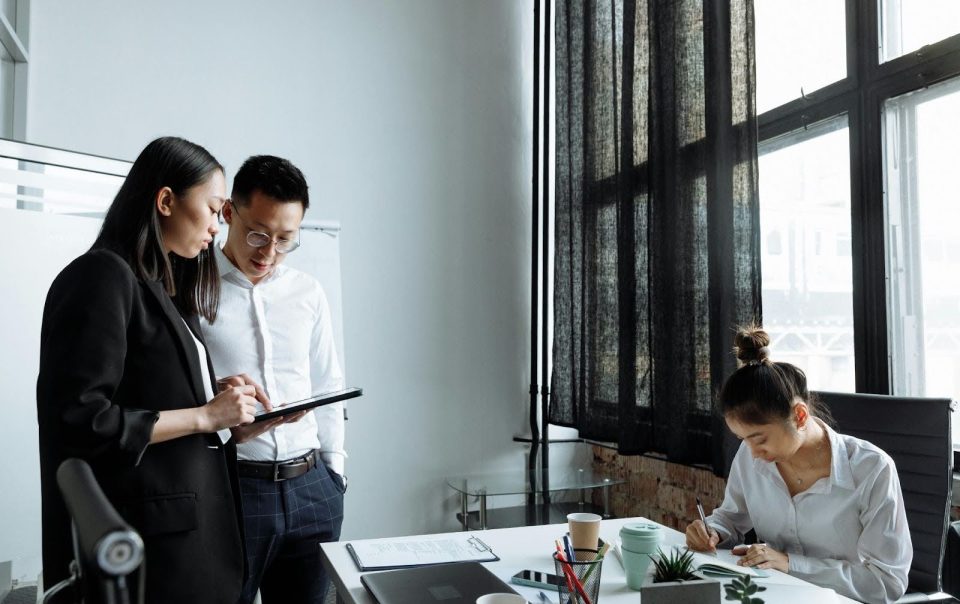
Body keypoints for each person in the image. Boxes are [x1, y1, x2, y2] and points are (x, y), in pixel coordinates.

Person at [37, 137, 269, 603]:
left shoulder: (159, 284)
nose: (216, 229)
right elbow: (81, 420)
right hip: (151, 548)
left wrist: (222, 411)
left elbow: (146, 395)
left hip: (188, 535)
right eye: (213, 209)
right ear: (165, 201)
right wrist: (205, 415)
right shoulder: (102, 275)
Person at [199, 155, 346, 604]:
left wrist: (336, 474)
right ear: (229, 212)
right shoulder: (189, 289)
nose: (268, 252)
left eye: (285, 239)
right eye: (258, 234)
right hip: (234, 488)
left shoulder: (308, 291)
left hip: (312, 486)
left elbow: (328, 382)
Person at [685, 325, 912, 603]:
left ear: (800, 416)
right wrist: (712, 531)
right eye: (743, 439)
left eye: (759, 439)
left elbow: (886, 583)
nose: (753, 453)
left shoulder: (871, 469)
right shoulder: (751, 455)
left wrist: (790, 563)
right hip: (771, 595)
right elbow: (731, 518)